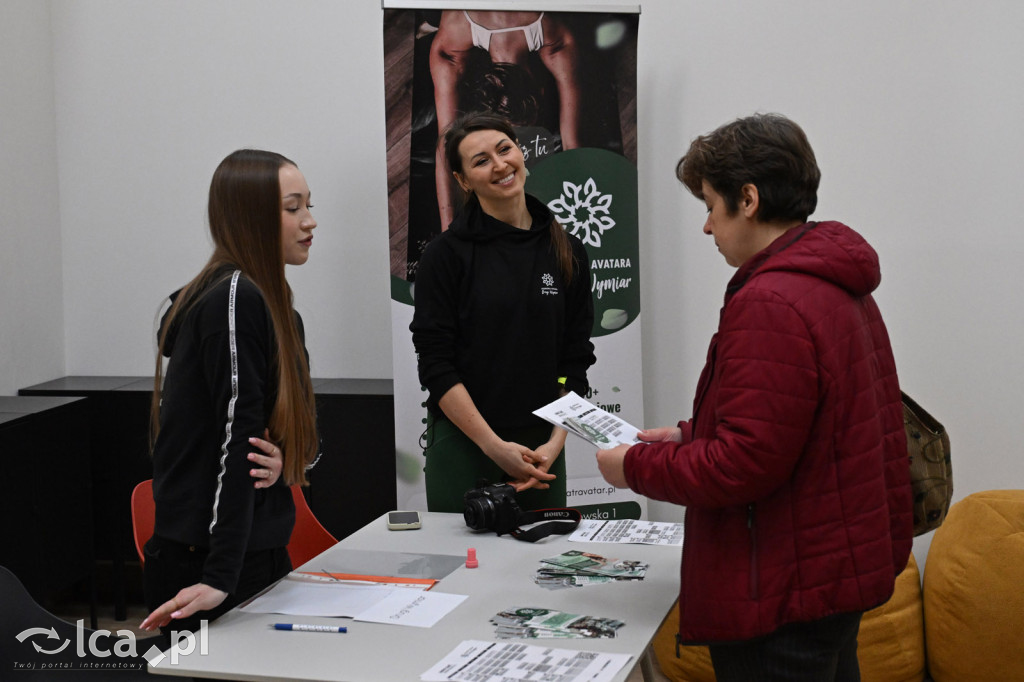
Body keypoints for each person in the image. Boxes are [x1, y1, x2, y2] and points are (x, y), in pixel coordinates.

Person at [595, 114, 913, 681]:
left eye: (711, 206)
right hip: (824, 576)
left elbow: (743, 466)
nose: (707, 227)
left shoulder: (771, 299)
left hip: (781, 593)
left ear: (748, 199)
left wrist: (635, 467)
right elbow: (807, 426)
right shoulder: (833, 283)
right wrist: (690, 435)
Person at [140, 149, 320, 642]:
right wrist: (219, 577)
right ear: (250, 216)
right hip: (209, 561)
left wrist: (286, 459)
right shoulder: (234, 300)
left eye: (308, 205)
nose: (311, 221)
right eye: (293, 208)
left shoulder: (279, 309)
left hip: (252, 554)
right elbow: (232, 441)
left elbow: (298, 433)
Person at [411, 111, 596, 513]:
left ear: (521, 153)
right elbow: (436, 365)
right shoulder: (446, 255)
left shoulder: (568, 251)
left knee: (542, 572)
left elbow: (574, 362)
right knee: (461, 570)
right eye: (480, 161)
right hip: (465, 442)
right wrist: (494, 447)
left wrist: (553, 444)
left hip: (541, 450)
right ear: (462, 180)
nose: (500, 165)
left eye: (504, 149)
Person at [429, 10, 582, 231]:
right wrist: (448, 233)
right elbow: (445, 147)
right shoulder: (450, 44)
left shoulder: (559, 40)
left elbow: (573, 146)